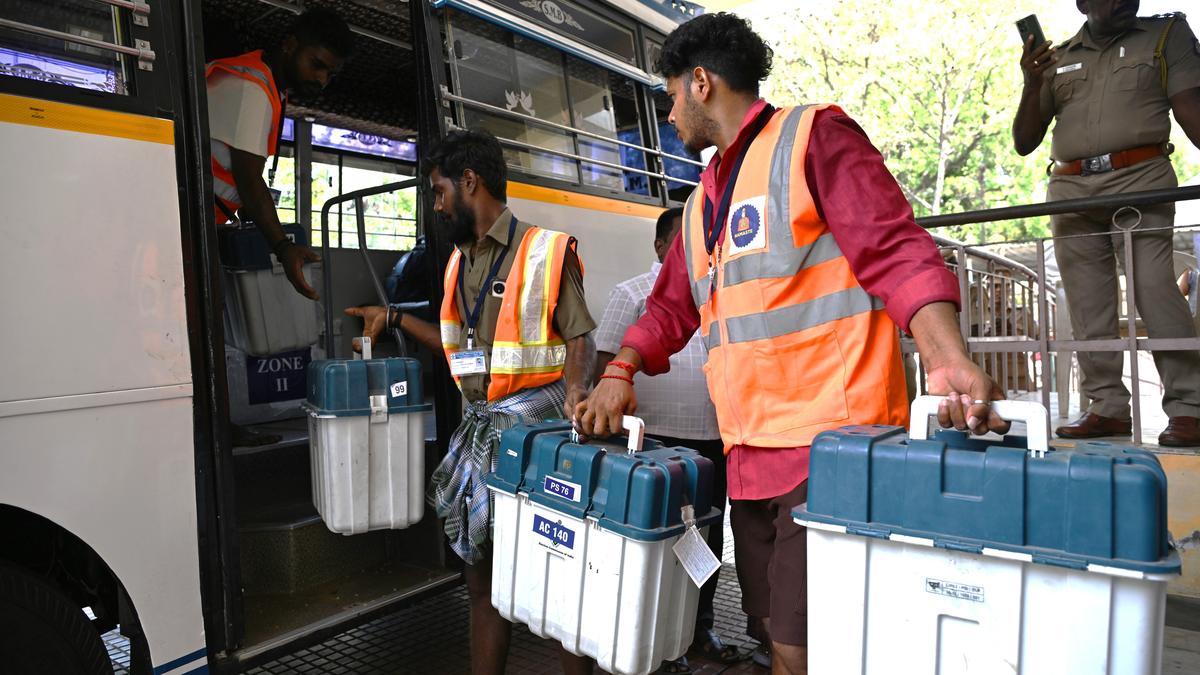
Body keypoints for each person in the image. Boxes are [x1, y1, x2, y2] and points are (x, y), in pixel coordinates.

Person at [573, 13, 1008, 675]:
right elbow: (668, 306)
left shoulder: (813, 138)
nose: (666, 116)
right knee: (777, 632)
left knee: (806, 645)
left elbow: (896, 250)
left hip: (831, 447)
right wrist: (622, 367)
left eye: (667, 97)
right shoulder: (698, 206)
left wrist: (946, 356)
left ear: (699, 82)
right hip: (748, 454)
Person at [344, 129, 596, 675]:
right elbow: (461, 351)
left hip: (538, 443)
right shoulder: (459, 262)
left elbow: (580, 339)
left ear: (469, 182)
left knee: (556, 586)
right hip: (485, 435)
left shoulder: (545, 251)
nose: (435, 207)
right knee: (481, 580)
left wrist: (576, 392)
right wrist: (393, 320)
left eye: (437, 192)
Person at [1012, 1, 1200, 446]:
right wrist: (1031, 82)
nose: (1121, 2)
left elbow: (1193, 113)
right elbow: (1024, 141)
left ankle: (1190, 406)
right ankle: (1107, 407)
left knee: (1156, 289)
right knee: (1086, 304)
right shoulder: (1057, 59)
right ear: (1083, 3)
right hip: (1071, 190)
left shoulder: (1165, 36)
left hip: (1142, 181)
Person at [591, 207, 739, 670]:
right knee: (655, 544)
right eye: (680, 242)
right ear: (659, 248)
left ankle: (698, 629)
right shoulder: (632, 293)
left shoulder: (719, 293)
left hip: (712, 442)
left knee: (706, 540)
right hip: (653, 447)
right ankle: (654, 639)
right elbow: (605, 368)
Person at [207, 8, 353, 300]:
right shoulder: (253, 88)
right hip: (185, 218)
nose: (322, 79)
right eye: (317, 64)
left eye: (330, 73)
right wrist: (283, 248)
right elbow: (248, 180)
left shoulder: (268, 84)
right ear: (290, 45)